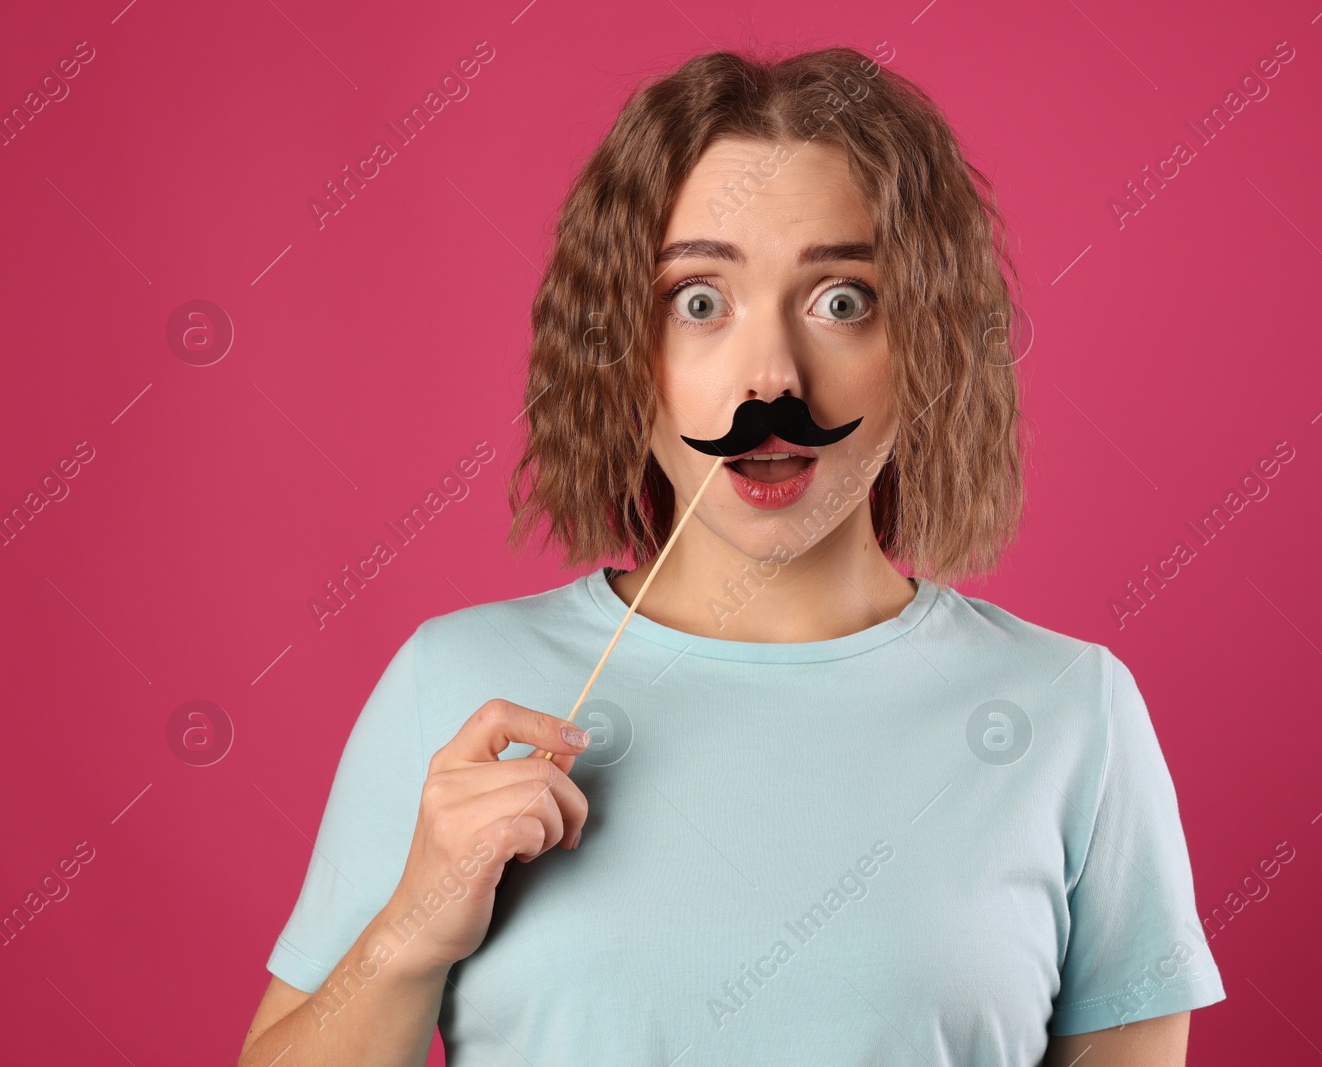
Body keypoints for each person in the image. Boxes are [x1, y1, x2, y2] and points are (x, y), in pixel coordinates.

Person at [238, 45, 1224, 1067]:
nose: (771, 377)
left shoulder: (1069, 711)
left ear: (927, 339)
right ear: (622, 345)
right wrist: (407, 934)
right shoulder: (452, 690)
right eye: (698, 300)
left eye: (842, 300)